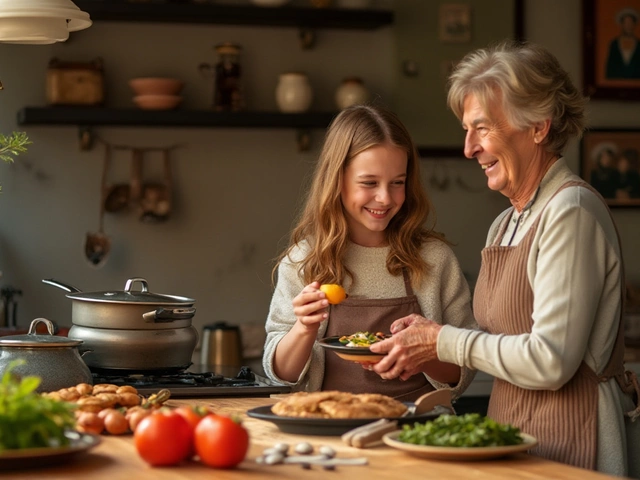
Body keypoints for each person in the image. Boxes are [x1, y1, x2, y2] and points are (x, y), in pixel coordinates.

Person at [369, 41, 640, 477]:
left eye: (482, 128)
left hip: (573, 434)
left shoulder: (570, 212)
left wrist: (442, 340)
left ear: (537, 127)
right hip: (513, 431)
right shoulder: (506, 223)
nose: (468, 148)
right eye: (466, 130)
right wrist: (429, 337)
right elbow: (500, 339)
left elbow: (550, 360)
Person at [262, 104, 477, 402]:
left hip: (417, 431)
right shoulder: (304, 261)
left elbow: (462, 371)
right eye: (369, 183)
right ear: (337, 180)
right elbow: (280, 374)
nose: (385, 198)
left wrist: (421, 355)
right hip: (327, 429)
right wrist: (304, 328)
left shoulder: (434, 259)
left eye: (398, 183)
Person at [606, 7, 640, 79]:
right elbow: (610, 68)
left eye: (630, 23)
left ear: (634, 24)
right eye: (626, 23)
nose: (628, 26)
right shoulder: (614, 44)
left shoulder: (639, 44)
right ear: (622, 24)